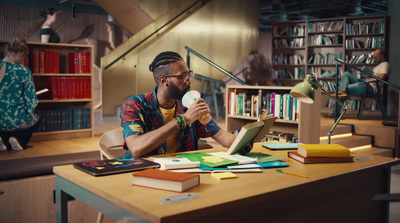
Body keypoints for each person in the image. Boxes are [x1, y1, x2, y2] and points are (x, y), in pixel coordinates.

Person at [120, 51, 236, 159]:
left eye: (188, 74)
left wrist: (244, 141)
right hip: (144, 172)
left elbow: (223, 137)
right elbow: (136, 148)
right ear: (164, 80)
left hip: (182, 170)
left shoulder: (188, 106)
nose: (189, 80)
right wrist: (184, 119)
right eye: (182, 76)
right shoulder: (134, 105)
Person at [0, 38, 40, 151]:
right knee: (36, 119)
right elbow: (32, 101)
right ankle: (18, 140)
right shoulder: (24, 71)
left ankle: (2, 141)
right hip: (15, 119)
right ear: (21, 54)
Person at [327, 48, 391, 117]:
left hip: (370, 87)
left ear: (382, 56)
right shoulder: (378, 65)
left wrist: (370, 75)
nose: (374, 60)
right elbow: (375, 76)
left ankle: (336, 111)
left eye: (376, 58)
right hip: (365, 83)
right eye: (373, 58)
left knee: (345, 89)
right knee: (346, 74)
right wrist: (367, 75)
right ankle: (342, 90)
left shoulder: (385, 64)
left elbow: (382, 76)